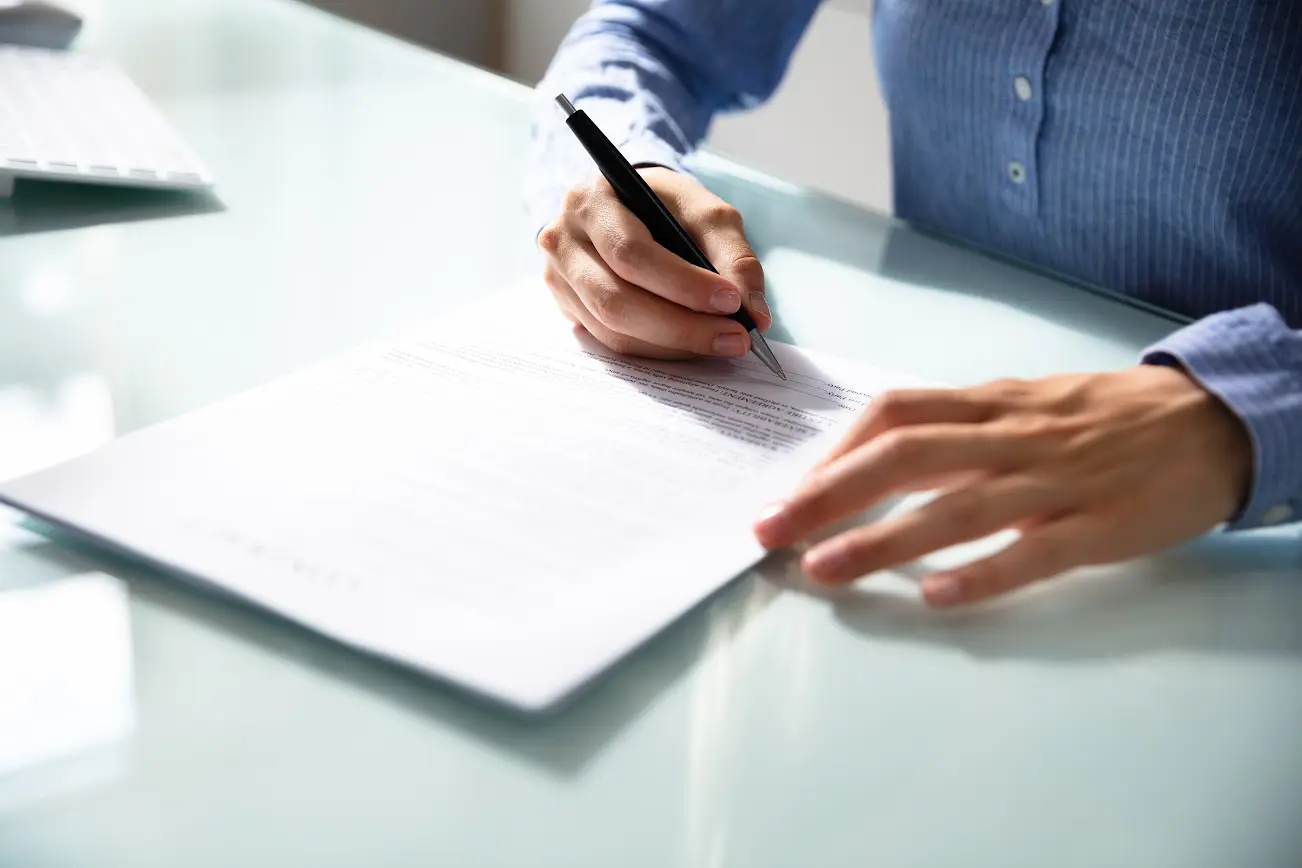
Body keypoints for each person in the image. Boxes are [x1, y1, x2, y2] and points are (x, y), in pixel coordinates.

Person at [526, 0, 1301, 608]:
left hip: (1231, 560)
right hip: (916, 450)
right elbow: (645, 35)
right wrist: (622, 177)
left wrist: (1240, 417)